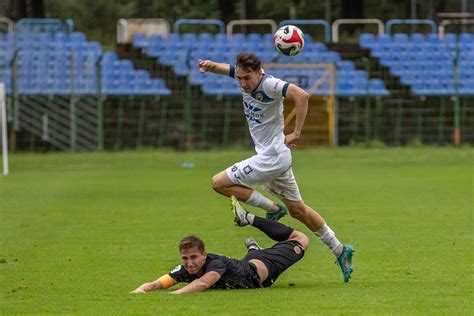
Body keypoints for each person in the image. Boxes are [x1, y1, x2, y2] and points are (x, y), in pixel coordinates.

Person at [198, 52, 354, 282]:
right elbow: (230, 70)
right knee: (298, 211)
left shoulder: (270, 84)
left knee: (219, 183)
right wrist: (211, 67)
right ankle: (340, 249)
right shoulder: (244, 77)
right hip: (276, 158)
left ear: (258, 73)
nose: (242, 83)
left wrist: (297, 133)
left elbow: (302, 96)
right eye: (239, 78)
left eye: (246, 78)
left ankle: (271, 209)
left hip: (271, 157)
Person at [131, 196, 309, 294]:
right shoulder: (185, 269)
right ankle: (253, 249)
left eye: (193, 257)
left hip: (265, 268)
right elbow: (157, 284)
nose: (189, 262)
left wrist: (176, 295)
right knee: (246, 262)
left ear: (204, 255)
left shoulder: (215, 264)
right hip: (246, 265)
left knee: (300, 238)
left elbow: (202, 284)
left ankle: (249, 218)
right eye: (185, 258)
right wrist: (139, 291)